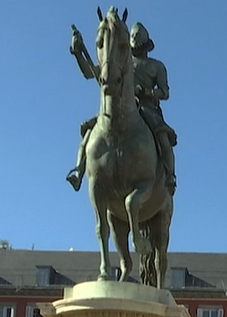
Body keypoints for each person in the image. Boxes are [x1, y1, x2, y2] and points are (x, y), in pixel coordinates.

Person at [66, 20, 178, 194]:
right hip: (119, 107)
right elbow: (90, 72)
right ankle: (79, 170)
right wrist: (78, 53)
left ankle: (170, 175)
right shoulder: (122, 64)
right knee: (90, 131)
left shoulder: (157, 66)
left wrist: (148, 92)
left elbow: (165, 92)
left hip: (147, 107)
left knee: (163, 137)